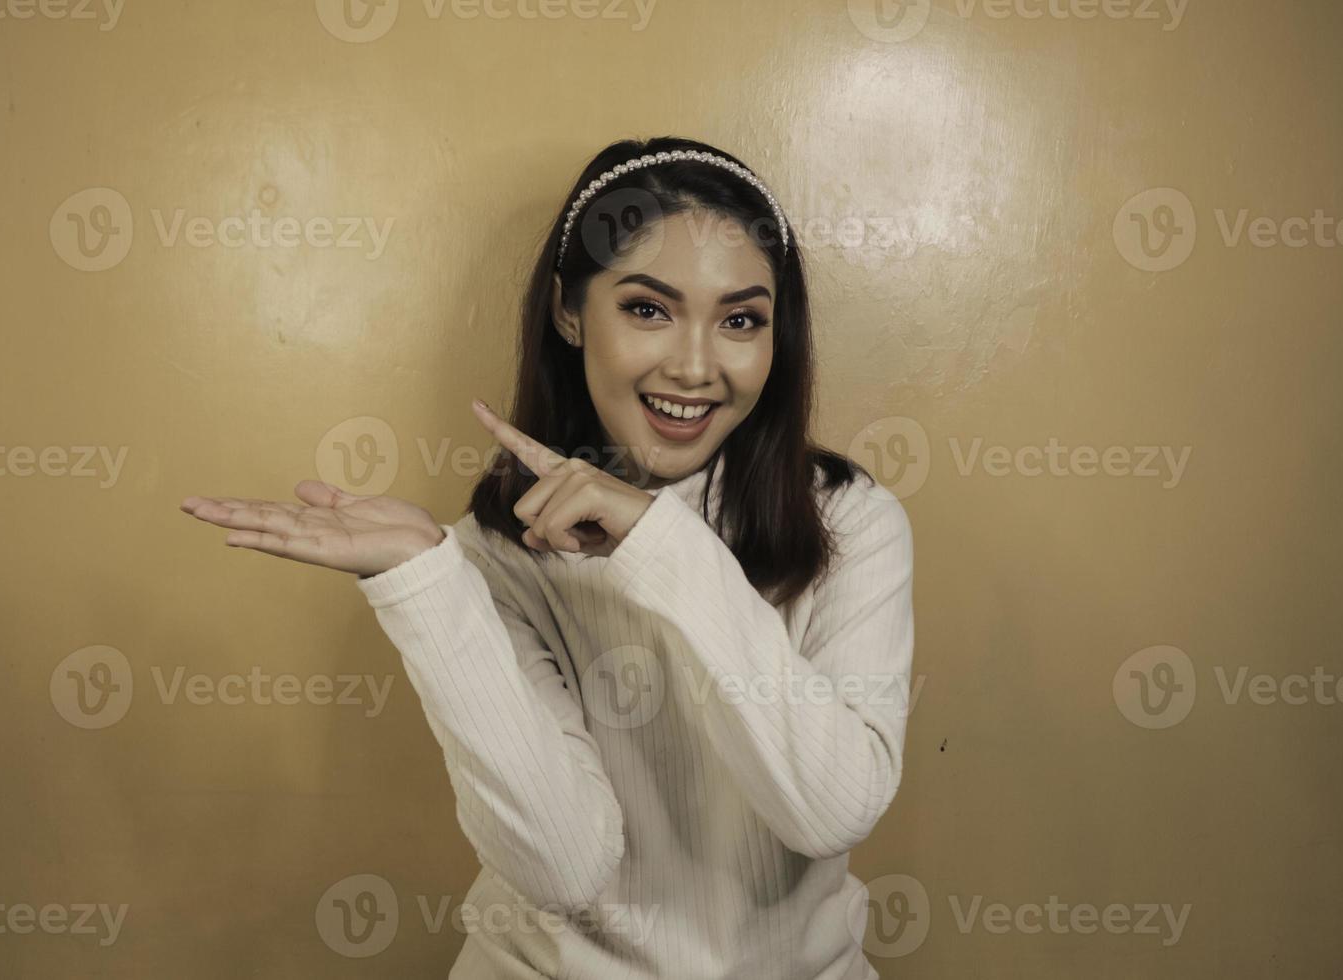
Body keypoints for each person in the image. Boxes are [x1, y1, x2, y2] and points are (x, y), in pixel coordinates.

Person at [180, 135, 916, 979]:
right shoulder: (493, 558)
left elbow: (829, 811)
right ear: (570, 312)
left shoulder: (851, 522)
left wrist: (660, 543)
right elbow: (565, 868)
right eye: (648, 308)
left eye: (741, 319)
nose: (695, 365)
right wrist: (426, 583)